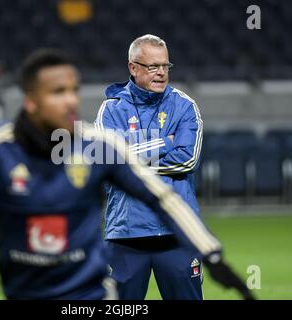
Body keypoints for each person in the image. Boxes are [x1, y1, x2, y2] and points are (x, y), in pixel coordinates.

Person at [0, 49, 253, 300]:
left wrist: (211, 253)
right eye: (57, 92)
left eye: (74, 89)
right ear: (31, 101)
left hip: (89, 297)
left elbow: (164, 199)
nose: (71, 100)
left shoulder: (101, 146)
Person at [95, 34, 209, 300]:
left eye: (165, 66)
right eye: (152, 66)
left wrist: (132, 155)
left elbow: (186, 159)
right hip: (126, 232)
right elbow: (108, 159)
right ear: (133, 68)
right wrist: (166, 141)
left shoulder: (185, 106)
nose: (161, 73)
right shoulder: (111, 109)